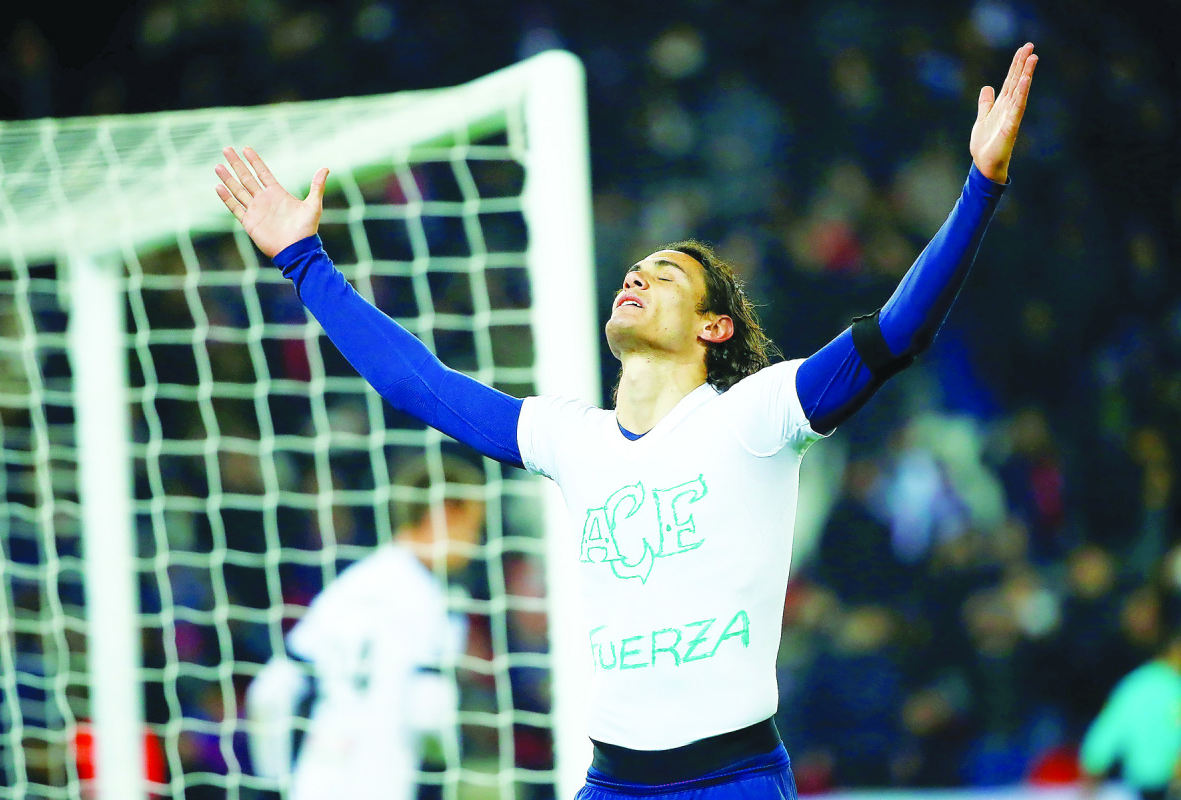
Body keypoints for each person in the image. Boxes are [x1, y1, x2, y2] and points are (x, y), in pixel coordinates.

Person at [218, 42, 1038, 799]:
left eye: (666, 274)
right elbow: (419, 386)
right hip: (611, 783)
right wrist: (303, 261)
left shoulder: (755, 415)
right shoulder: (573, 440)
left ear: (714, 326)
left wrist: (980, 188)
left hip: (734, 778)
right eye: (633, 270)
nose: (636, 278)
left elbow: (899, 330)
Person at [244, 455, 485, 800]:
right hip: (386, 781)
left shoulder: (350, 586)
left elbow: (268, 692)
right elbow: (431, 710)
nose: (476, 543)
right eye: (473, 526)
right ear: (444, 514)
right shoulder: (438, 604)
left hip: (315, 780)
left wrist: (273, 783)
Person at [1079, 621, 1181, 800]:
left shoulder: (1134, 685)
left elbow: (1102, 739)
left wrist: (1092, 775)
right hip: (1167, 784)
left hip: (1145, 785)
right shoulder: (1171, 686)